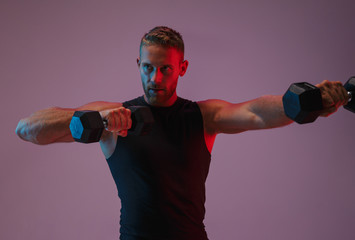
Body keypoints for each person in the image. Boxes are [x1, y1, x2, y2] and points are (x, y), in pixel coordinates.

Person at [15, 26, 350, 240]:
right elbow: (28, 129)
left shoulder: (202, 116)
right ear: (138, 64)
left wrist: (311, 101)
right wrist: (98, 118)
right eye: (148, 67)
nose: (155, 79)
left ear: (182, 69)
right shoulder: (111, 117)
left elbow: (256, 112)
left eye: (165, 69)